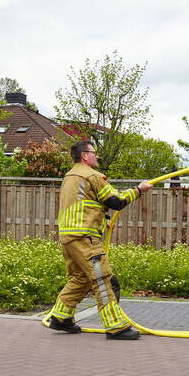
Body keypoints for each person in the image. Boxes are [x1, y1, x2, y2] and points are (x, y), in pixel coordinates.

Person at [42, 139, 152, 340]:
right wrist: (138, 190)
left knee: (79, 278)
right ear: (85, 155)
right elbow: (116, 201)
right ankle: (116, 327)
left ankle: (60, 317)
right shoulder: (92, 175)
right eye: (94, 153)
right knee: (103, 279)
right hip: (86, 238)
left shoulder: (70, 176)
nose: (97, 156)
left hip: (68, 237)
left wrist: (103, 219)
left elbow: (86, 205)